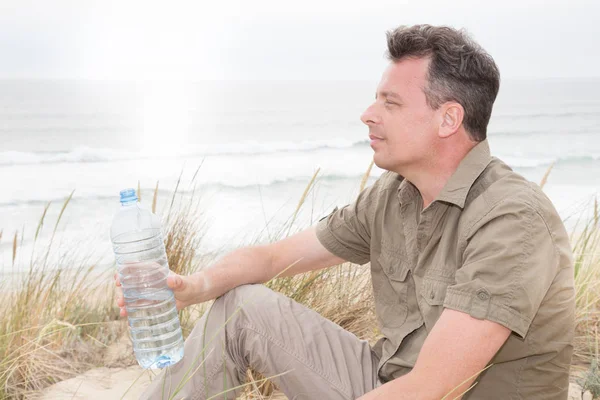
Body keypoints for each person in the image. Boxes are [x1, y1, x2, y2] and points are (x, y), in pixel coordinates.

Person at [116, 24, 575, 400]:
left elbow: (433, 387)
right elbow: (275, 259)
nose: (368, 114)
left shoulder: (513, 219)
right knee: (242, 307)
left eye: (390, 103)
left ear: (448, 119)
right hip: (387, 383)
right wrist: (192, 288)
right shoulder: (394, 195)